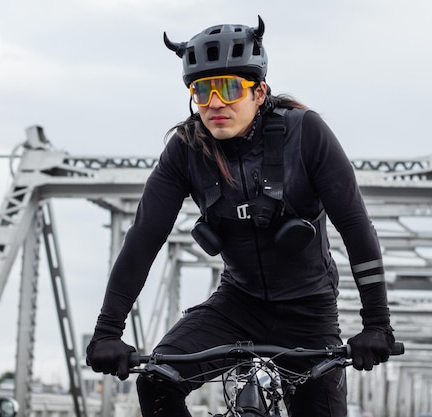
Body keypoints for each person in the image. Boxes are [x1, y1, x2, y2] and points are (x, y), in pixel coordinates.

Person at [86, 16, 395, 417]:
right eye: (202, 91)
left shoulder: (307, 133)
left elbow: (355, 227)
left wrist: (377, 324)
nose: (215, 103)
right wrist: (107, 332)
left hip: (309, 310)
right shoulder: (185, 149)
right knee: (158, 380)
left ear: (259, 91)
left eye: (230, 88)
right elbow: (145, 237)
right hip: (237, 303)